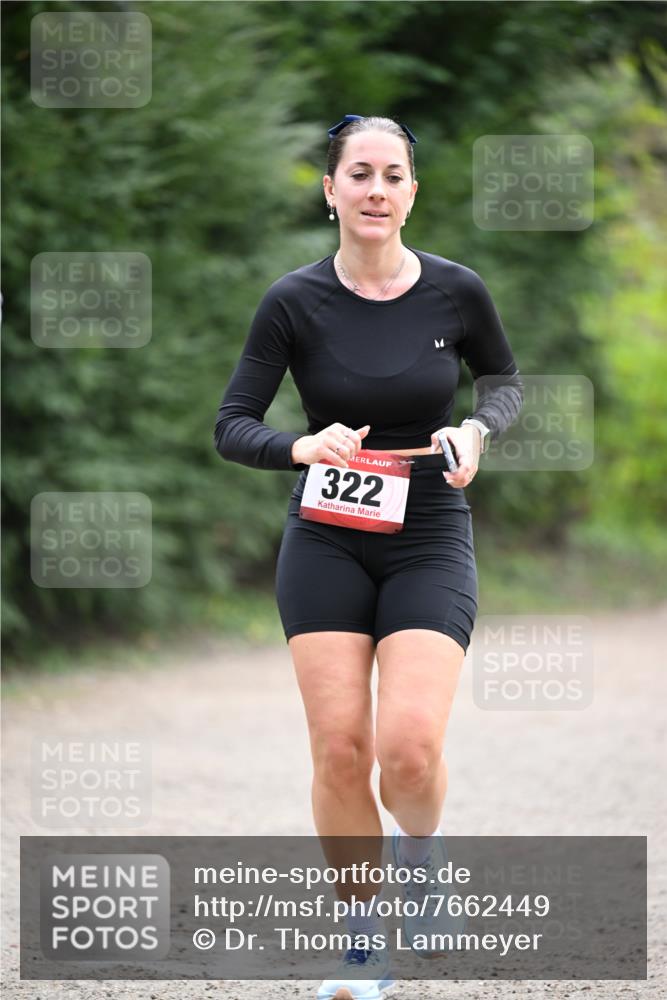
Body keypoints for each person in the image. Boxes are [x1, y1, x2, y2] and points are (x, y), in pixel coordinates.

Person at [214, 114, 523, 1000]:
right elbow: (232, 424)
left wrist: (476, 429)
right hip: (325, 536)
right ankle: (361, 948)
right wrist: (300, 447)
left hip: (428, 532)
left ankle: (420, 857)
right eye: (359, 174)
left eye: (392, 175)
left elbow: (502, 382)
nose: (376, 190)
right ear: (330, 190)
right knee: (341, 752)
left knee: (409, 753)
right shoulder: (292, 301)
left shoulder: (456, 292)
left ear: (412, 193)